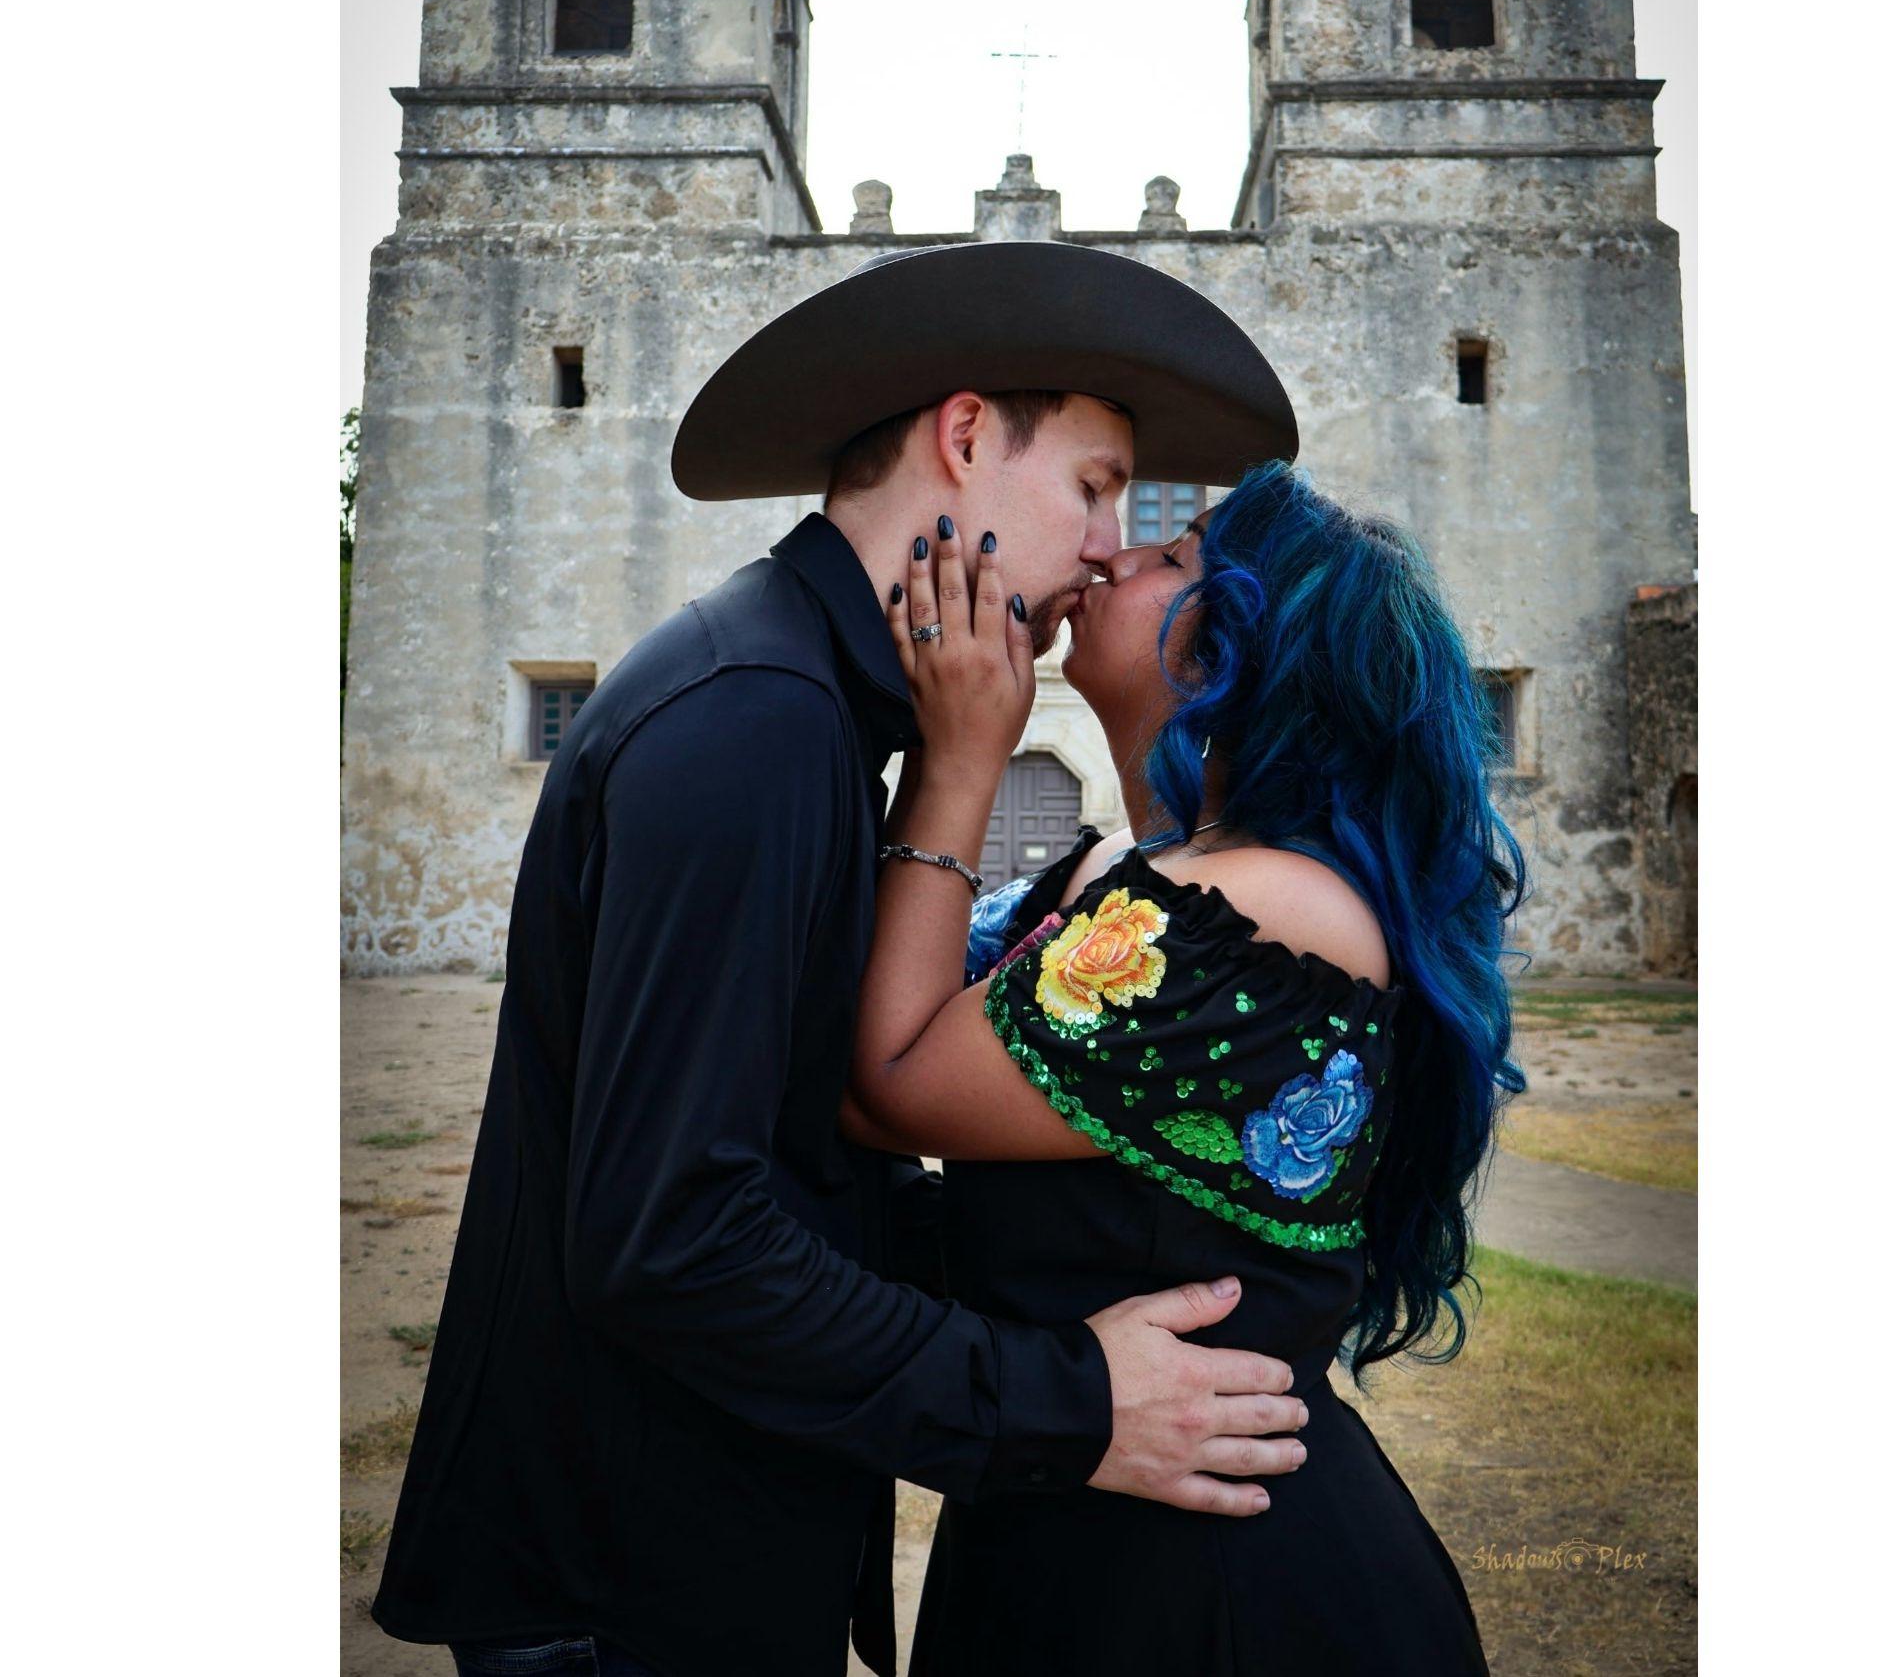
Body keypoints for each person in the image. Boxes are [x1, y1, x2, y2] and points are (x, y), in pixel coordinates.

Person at [369, 243, 1318, 1677]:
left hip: (695, 1538)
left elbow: (800, 1158)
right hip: (626, 1584)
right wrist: (1068, 1402)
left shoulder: (807, 703)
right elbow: (676, 1239)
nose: (1106, 545)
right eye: (1093, 486)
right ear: (962, 439)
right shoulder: (755, 716)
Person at [844, 458, 1528, 1675]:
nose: (1112, 553)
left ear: (1236, 652)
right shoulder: (1119, 868)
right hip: (1068, 1525)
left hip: (1221, 1592)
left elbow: (887, 1079)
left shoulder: (1274, 906)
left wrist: (959, 759)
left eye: (1169, 556)